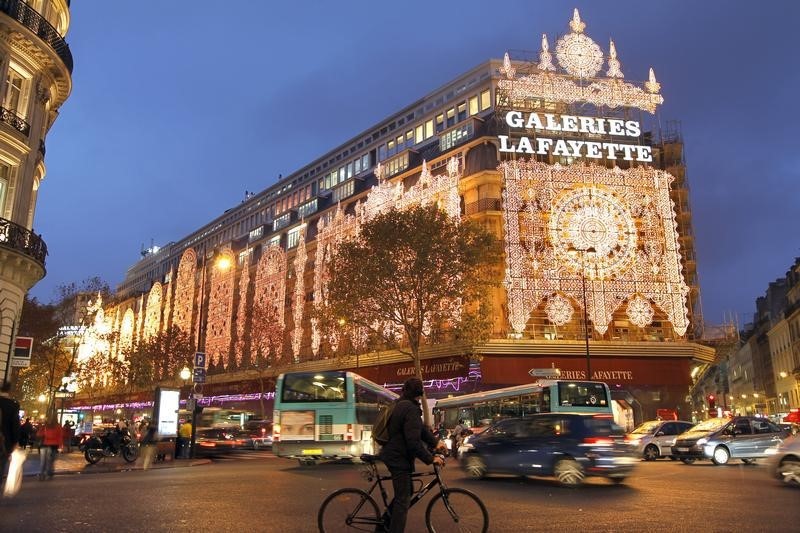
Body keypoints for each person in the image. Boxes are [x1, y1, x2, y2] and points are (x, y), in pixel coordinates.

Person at [378, 378, 446, 532]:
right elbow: (413, 442)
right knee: (403, 500)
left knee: (407, 492)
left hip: (395, 455)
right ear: (419, 393)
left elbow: (420, 430)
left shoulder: (402, 404)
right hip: (397, 458)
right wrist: (431, 458)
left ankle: (383, 524)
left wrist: (435, 443)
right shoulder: (410, 409)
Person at [0, 382, 21, 482]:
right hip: (4, 442)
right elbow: (15, 425)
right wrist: (15, 442)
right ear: (9, 391)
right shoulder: (13, 405)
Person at [37, 415, 63, 480]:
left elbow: (39, 434)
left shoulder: (45, 426)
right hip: (52, 445)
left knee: (43, 461)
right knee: (50, 461)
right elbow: (60, 436)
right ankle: (49, 474)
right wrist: (60, 445)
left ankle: (42, 474)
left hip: (45, 445)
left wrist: (41, 427)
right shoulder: (57, 426)